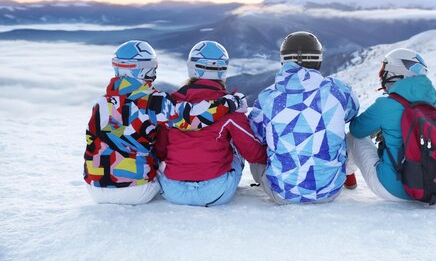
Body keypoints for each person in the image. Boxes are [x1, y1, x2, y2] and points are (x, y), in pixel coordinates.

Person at [83, 40, 238, 205]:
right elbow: (191, 119)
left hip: (95, 188)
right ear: (147, 70)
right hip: (136, 190)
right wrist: (229, 103)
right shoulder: (153, 100)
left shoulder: (101, 104)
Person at [248, 31, 359, 204]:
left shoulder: (267, 97)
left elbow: (257, 135)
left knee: (263, 145)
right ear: (318, 59)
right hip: (329, 192)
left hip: (282, 195)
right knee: (347, 135)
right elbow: (352, 113)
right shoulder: (339, 90)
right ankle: (348, 176)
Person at [154, 41, 267, 207]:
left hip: (174, 191)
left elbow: (161, 150)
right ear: (223, 70)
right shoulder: (231, 109)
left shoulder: (171, 105)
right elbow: (253, 153)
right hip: (215, 191)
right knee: (238, 146)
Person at [345, 48, 436, 201]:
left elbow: (356, 130)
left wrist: (381, 126)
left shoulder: (386, 105)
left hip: (393, 189)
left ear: (396, 73)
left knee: (353, 138)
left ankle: (348, 177)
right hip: (429, 186)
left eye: (385, 71)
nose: (382, 76)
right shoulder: (432, 102)